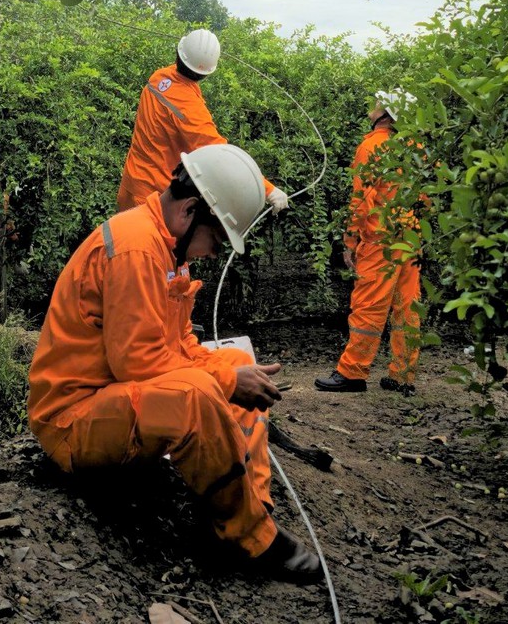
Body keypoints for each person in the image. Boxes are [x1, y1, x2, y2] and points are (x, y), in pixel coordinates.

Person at [28, 143, 324, 580]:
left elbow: (180, 344)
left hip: (114, 399)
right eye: (218, 238)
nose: (213, 251)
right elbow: (138, 363)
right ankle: (250, 541)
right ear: (190, 211)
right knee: (202, 391)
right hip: (74, 420)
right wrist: (225, 381)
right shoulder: (136, 250)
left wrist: (231, 371)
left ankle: (250, 509)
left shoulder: (167, 248)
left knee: (236, 359)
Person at [316, 90, 424, 395]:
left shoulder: (371, 146)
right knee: (408, 309)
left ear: (386, 114)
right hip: (410, 239)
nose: (372, 106)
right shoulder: (416, 146)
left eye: (378, 104)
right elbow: (425, 197)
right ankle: (402, 376)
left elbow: (361, 200)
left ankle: (352, 372)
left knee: (368, 307)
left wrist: (350, 241)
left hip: (381, 242)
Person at [117, 29, 287, 216]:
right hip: (154, 199)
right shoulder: (189, 107)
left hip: (131, 185)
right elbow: (219, 156)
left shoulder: (160, 77)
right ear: (205, 74)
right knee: (147, 245)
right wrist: (268, 190)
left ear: (178, 53)